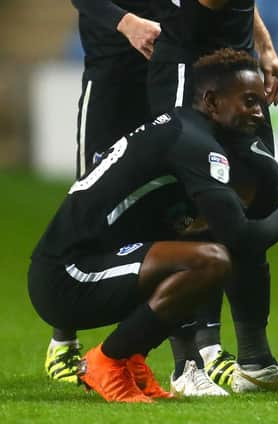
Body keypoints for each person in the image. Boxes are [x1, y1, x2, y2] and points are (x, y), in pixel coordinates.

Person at [29, 49, 278, 403]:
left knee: (198, 246)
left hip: (84, 263)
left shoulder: (180, 127)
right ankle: (107, 360)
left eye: (261, 103)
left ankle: (133, 359)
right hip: (68, 276)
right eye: (249, 102)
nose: (259, 113)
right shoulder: (194, 144)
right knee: (211, 260)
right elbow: (241, 238)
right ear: (211, 101)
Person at [146, 0, 278, 393]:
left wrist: (266, 48)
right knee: (188, 214)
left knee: (256, 198)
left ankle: (256, 361)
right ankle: (186, 364)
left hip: (239, 65)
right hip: (188, 68)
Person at [44, 0, 161, 385]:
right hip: (110, 81)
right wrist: (126, 23)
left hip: (164, 78)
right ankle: (62, 342)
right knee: (89, 208)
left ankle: (133, 351)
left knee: (163, 210)